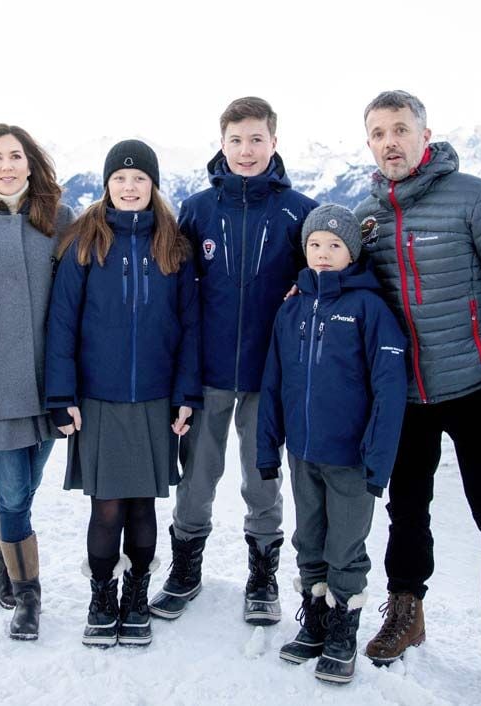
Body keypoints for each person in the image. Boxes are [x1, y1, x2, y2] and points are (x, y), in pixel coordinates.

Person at [355, 90, 481, 705]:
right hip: (407, 395)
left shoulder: (475, 198)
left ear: (425, 134)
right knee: (406, 511)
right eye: (379, 132)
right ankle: (406, 614)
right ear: (369, 143)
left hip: (479, 387)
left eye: (401, 130)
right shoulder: (366, 214)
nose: (390, 141)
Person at [150, 97, 318, 625]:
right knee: (198, 474)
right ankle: (185, 567)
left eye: (257, 139)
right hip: (209, 372)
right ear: (221, 144)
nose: (246, 151)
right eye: (236, 140)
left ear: (274, 142)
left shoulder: (299, 210)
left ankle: (263, 573)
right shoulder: (198, 209)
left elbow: (319, 283)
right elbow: (176, 291)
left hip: (270, 374)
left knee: (261, 477)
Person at [45, 139, 202, 648]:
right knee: (106, 506)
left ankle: (137, 595)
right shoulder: (85, 243)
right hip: (99, 400)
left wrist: (186, 394)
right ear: (107, 183)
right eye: (120, 178)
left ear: (153, 186)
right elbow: (62, 324)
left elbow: (189, 327)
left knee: (143, 508)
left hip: (155, 399)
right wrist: (61, 394)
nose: (130, 187)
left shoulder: (173, 245)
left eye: (139, 179)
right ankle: (102, 595)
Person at [257, 204, 407, 683]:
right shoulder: (292, 308)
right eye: (315, 244)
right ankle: (317, 620)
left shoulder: (370, 309)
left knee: (346, 547)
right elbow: (274, 381)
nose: (323, 254)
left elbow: (389, 389)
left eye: (335, 245)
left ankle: (344, 629)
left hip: (351, 458)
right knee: (310, 539)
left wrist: (377, 461)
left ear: (353, 252)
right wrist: (268, 447)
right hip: (303, 453)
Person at [0, 124, 75, 640]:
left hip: (50, 380)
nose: (6, 166)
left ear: (31, 163)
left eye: (15, 156)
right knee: (17, 493)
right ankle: (29, 599)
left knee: (28, 487)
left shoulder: (59, 220)